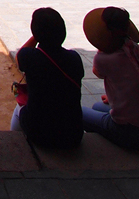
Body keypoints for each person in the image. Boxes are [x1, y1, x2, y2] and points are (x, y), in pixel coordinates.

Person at [81, 7, 139, 150]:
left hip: (130, 133)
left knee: (79, 113)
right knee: (97, 107)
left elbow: (98, 72)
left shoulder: (104, 59)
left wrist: (103, 45)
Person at [11, 8, 84, 149]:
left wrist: (36, 36)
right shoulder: (74, 58)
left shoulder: (30, 57)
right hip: (73, 135)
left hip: (40, 133)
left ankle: (16, 143)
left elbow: (20, 57)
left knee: (19, 107)